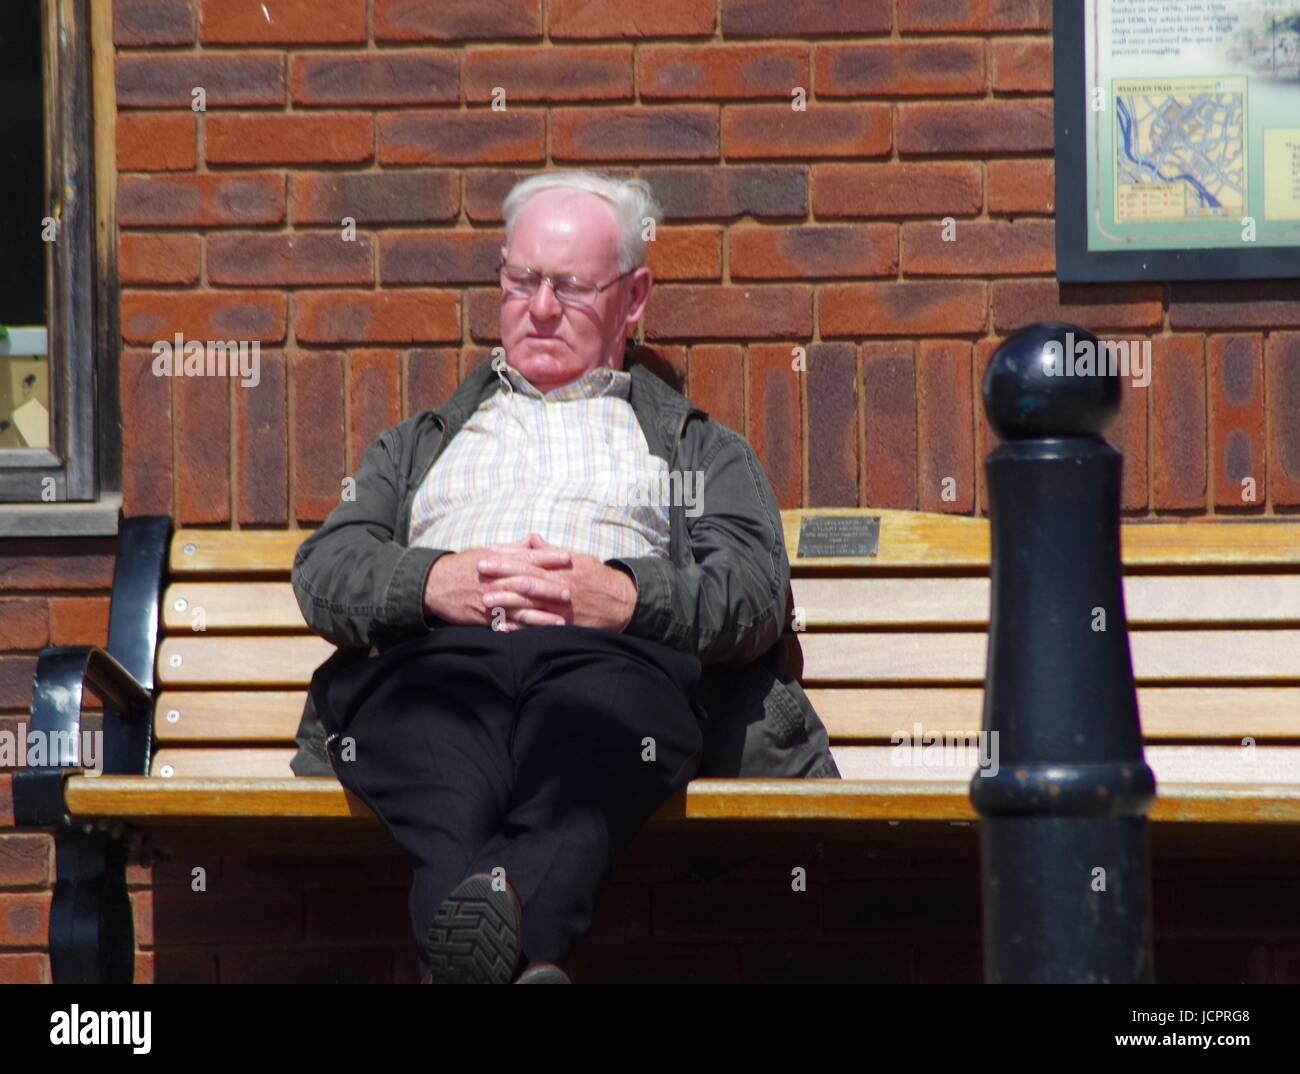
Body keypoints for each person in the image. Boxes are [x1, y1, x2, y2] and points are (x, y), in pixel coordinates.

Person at [289, 170, 838, 984]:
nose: (540, 308)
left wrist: (622, 595)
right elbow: (326, 569)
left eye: (573, 287)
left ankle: (478, 955)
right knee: (445, 783)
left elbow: (752, 592)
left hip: (611, 672)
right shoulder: (421, 444)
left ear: (635, 296)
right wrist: (431, 582)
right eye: (521, 282)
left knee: (576, 763)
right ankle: (525, 954)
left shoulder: (694, 447)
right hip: (432, 670)